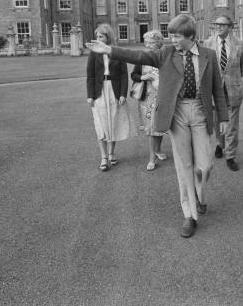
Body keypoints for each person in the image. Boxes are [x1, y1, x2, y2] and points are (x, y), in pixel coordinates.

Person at [89, 15, 228, 238]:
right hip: (177, 113)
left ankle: (199, 196)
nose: (171, 39)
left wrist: (223, 117)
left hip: (201, 112)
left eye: (176, 35)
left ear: (191, 36)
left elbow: (217, 90)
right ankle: (189, 214)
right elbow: (139, 55)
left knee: (205, 166)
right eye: (170, 34)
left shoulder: (208, 55)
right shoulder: (166, 53)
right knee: (184, 167)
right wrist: (109, 49)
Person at [86, 24, 133, 171]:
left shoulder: (117, 52)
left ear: (108, 37)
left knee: (113, 121)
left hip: (114, 89)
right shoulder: (94, 53)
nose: (98, 39)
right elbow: (90, 75)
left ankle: (112, 154)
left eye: (101, 36)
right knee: (101, 124)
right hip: (99, 91)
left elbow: (124, 75)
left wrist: (123, 94)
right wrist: (90, 95)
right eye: (97, 36)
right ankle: (103, 157)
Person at [204, 15, 243, 171]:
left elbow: (241, 67)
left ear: (230, 27)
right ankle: (220, 145)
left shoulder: (239, 44)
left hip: (233, 89)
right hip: (215, 90)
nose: (219, 27)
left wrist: (232, 81)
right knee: (217, 122)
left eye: (222, 24)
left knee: (232, 125)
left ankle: (231, 156)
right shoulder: (208, 43)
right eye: (217, 24)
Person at [130, 30, 167, 171]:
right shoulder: (143, 57)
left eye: (151, 42)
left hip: (162, 97)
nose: (148, 45)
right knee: (150, 129)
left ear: (159, 43)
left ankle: (158, 149)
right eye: (146, 42)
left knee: (160, 126)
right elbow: (133, 75)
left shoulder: (165, 57)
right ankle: (152, 158)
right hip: (147, 98)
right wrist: (142, 77)